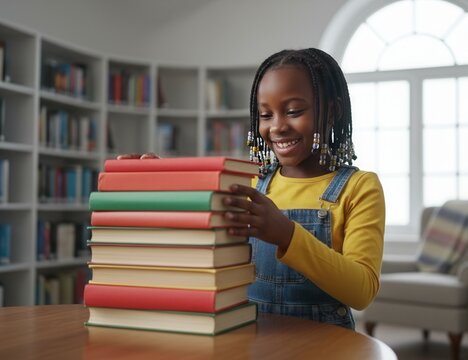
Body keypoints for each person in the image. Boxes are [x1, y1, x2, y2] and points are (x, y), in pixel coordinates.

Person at [119, 48, 385, 330]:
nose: (278, 127)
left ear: (333, 111)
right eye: (266, 115)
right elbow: (201, 229)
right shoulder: (251, 182)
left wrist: (286, 233)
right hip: (253, 341)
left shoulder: (360, 188)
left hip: (327, 346)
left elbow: (362, 290)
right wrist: (160, 180)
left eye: (294, 111)